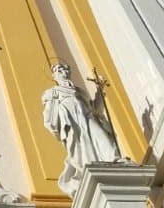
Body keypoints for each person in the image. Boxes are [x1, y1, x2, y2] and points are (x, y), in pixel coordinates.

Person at [42, 63, 119, 196]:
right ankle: (86, 168)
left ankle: (115, 159)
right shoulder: (52, 93)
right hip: (72, 124)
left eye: (65, 69)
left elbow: (96, 110)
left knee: (101, 135)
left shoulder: (80, 91)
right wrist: (55, 104)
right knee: (79, 148)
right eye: (58, 70)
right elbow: (49, 118)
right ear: (54, 76)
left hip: (87, 117)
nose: (62, 71)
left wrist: (99, 91)